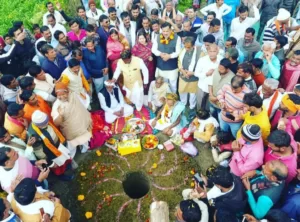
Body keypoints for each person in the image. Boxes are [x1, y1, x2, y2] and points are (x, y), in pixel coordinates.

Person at [28, 110, 76, 179]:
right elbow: (39, 153)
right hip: (52, 155)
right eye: (44, 123)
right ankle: (63, 176)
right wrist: (51, 164)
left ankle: (69, 168)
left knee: (66, 161)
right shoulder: (34, 136)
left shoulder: (44, 123)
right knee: (59, 168)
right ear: (37, 125)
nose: (47, 123)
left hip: (59, 147)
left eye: (46, 121)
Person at [52, 82, 92, 154]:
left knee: (85, 141)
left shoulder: (73, 95)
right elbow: (56, 123)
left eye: (63, 94)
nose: (62, 97)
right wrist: (60, 115)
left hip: (81, 126)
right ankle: (71, 157)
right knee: (72, 147)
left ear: (67, 92)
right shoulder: (56, 106)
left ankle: (85, 149)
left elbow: (82, 105)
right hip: (71, 131)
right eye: (59, 95)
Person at [152, 22, 181, 93]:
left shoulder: (177, 38)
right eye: (163, 31)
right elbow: (153, 49)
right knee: (164, 84)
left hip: (172, 67)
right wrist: (160, 54)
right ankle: (165, 100)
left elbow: (178, 52)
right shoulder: (158, 37)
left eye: (167, 31)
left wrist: (169, 56)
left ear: (171, 30)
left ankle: (173, 99)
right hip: (161, 66)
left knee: (173, 85)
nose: (165, 33)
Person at [195, 44, 223, 110]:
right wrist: (206, 74)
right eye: (210, 51)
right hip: (203, 87)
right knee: (200, 104)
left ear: (217, 52)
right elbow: (196, 73)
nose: (212, 54)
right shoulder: (202, 60)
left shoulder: (221, 60)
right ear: (207, 52)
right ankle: (199, 116)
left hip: (215, 88)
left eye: (214, 51)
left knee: (210, 106)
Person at [178, 37, 201, 116]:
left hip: (194, 78)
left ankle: (191, 108)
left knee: (192, 94)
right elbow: (179, 61)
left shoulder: (200, 54)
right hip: (183, 76)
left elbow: (202, 67)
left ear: (193, 46)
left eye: (188, 47)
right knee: (182, 91)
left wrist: (192, 73)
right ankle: (183, 106)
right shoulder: (182, 51)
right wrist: (183, 71)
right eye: (185, 47)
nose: (186, 49)